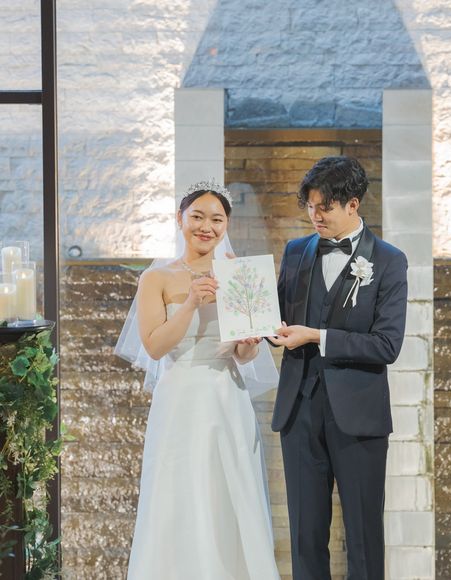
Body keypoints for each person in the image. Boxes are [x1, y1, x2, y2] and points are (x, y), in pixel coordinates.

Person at [116, 182, 280, 580]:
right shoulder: (156, 278)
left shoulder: (240, 273)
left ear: (226, 225)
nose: (206, 227)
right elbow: (155, 347)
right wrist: (190, 302)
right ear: (180, 219)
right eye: (197, 217)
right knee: (178, 493)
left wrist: (249, 344)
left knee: (230, 491)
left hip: (227, 396)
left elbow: (245, 354)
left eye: (217, 220)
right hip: (180, 398)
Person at [270, 157, 408, 580]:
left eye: (325, 207)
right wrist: (251, 321)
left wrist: (317, 336)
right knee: (305, 536)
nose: (315, 216)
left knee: (363, 537)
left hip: (359, 416)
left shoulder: (388, 260)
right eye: (310, 206)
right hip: (299, 410)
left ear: (352, 204)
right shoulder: (296, 252)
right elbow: (277, 320)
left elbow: (387, 345)